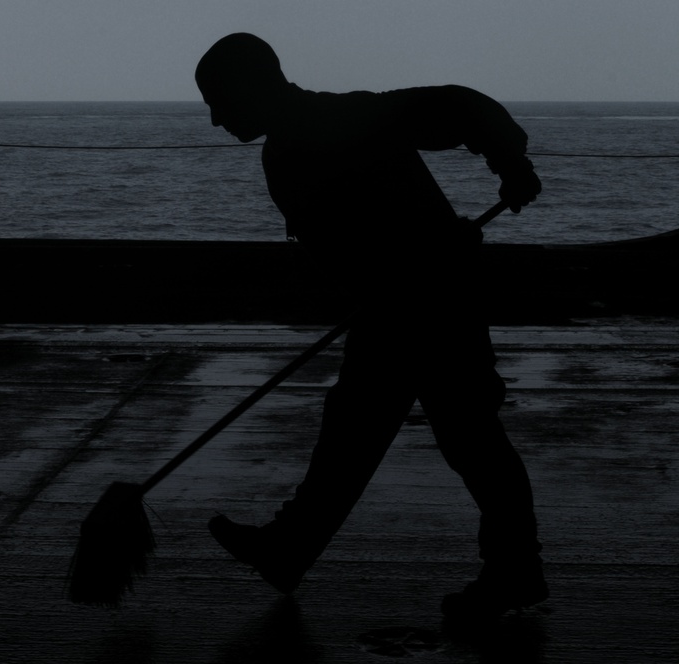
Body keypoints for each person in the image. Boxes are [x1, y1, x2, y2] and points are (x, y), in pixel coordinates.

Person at [195, 33, 546, 620]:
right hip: (393, 308)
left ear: (253, 87)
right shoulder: (284, 150)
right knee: (356, 432)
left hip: (434, 306)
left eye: (219, 101)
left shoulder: (346, 117)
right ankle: (289, 548)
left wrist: (511, 162)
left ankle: (516, 569)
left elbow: (461, 105)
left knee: (468, 438)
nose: (214, 120)